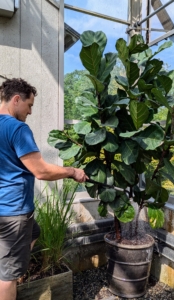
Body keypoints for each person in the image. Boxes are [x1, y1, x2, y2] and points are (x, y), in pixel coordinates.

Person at [0, 78, 88, 300]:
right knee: (6, 276)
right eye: (29, 105)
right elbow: (41, 171)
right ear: (16, 99)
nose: (30, 112)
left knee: (35, 232)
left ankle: (13, 265)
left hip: (3, 209)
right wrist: (72, 171)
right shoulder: (17, 129)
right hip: (14, 211)